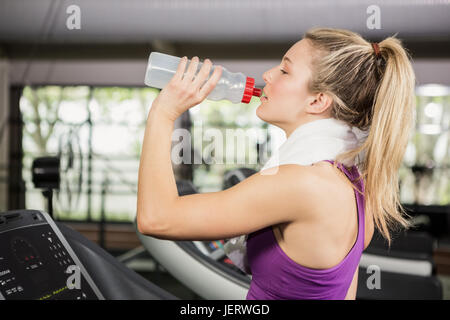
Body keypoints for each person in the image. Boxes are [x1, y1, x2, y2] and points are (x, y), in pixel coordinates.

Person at [136, 27, 416, 300]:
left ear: (318, 101)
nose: (267, 75)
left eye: (284, 70)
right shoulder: (354, 181)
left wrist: (163, 112)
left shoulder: (302, 184)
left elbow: (156, 218)